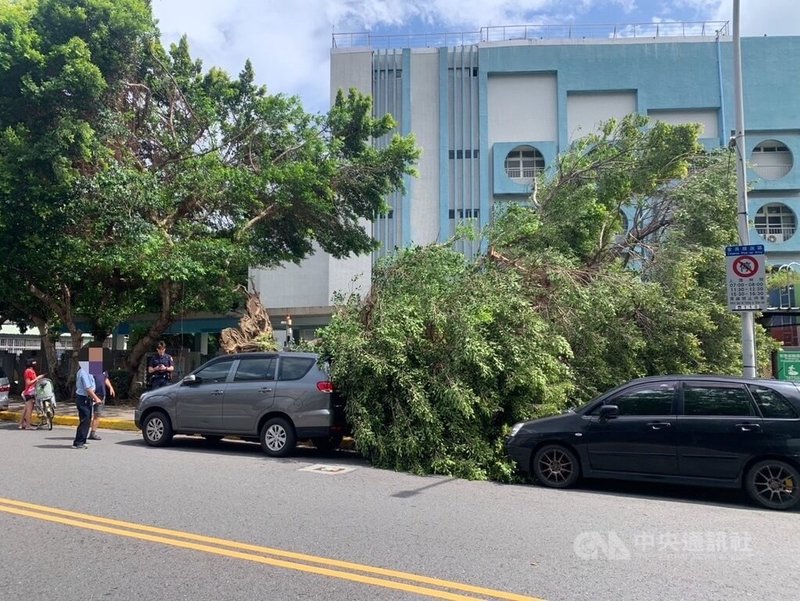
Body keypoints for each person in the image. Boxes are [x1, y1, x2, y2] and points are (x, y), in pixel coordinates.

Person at [74, 360, 102, 449]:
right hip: (84, 398)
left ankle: (81, 440)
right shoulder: (84, 372)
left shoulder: (87, 372)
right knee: (85, 420)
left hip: (86, 398)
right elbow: (88, 388)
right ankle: (79, 442)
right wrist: (96, 398)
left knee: (86, 420)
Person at [89, 369, 115, 441]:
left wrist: (110, 387)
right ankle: (83, 433)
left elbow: (105, 378)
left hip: (101, 395)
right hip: (91, 395)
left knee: (97, 414)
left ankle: (93, 433)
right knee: (87, 415)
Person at [19, 358, 41, 430]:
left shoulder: (30, 371)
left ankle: (21, 424)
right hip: (30, 392)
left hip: (29, 391)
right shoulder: (29, 371)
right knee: (29, 409)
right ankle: (28, 425)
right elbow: (28, 383)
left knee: (25, 409)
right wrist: (37, 378)